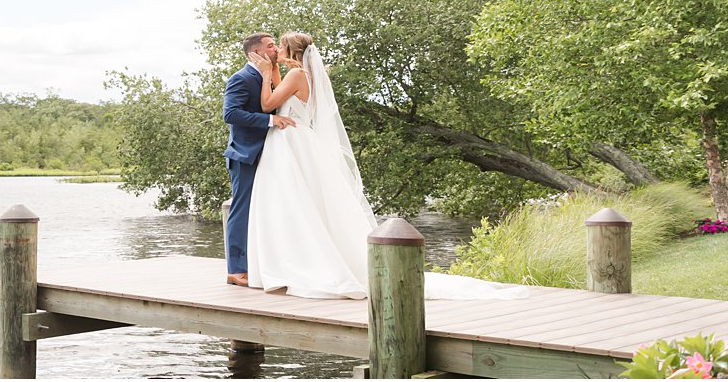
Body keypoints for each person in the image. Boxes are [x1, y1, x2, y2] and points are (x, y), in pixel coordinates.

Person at [245, 32, 526, 301]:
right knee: (304, 205)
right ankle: (295, 262)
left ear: (291, 50)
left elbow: (268, 103)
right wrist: (274, 72)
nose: (276, 52)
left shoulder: (296, 74)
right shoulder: (306, 75)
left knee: (295, 204)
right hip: (301, 141)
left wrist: (268, 73)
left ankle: (298, 265)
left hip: (292, 142)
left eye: (279, 46)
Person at [221, 32, 296, 286]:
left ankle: (264, 263)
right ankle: (236, 269)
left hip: (271, 154)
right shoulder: (241, 78)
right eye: (271, 45)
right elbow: (231, 114)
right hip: (246, 154)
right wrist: (270, 120)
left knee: (268, 210)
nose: (276, 49)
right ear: (256, 52)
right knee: (241, 211)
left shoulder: (269, 75)